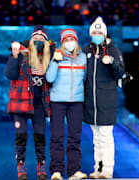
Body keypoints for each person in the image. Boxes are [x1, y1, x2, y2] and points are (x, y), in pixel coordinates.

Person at [4, 25, 55, 180]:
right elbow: (10, 74)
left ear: (46, 42)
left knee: (40, 136)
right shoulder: (20, 54)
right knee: (21, 136)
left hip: (40, 104)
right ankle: (21, 166)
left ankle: (41, 165)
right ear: (31, 39)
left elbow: (53, 80)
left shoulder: (50, 57)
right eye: (36, 38)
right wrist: (14, 56)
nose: (38, 40)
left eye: (41, 39)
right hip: (21, 102)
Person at [83, 17, 125, 179]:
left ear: (105, 34)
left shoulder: (113, 50)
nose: (97, 34)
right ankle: (97, 169)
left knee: (106, 138)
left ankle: (107, 170)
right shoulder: (87, 51)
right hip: (91, 103)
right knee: (96, 139)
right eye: (94, 32)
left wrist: (112, 62)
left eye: (100, 32)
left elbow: (121, 73)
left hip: (107, 102)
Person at [46, 28, 88, 180]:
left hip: (76, 101)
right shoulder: (57, 56)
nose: (70, 43)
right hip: (58, 101)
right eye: (67, 40)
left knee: (74, 137)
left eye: (72, 40)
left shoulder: (83, 58)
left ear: (76, 41)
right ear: (63, 42)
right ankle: (57, 170)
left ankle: (74, 171)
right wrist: (56, 61)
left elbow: (85, 79)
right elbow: (49, 78)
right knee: (57, 136)